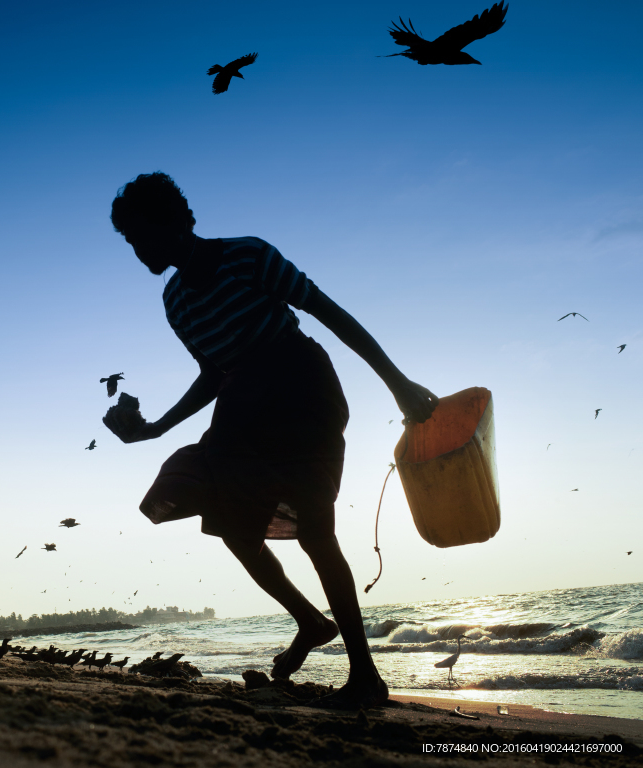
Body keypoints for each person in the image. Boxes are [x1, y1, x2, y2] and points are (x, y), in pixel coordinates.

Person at [104, 172, 438, 708]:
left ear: (176, 221)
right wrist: (155, 428)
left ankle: (365, 675)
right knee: (232, 522)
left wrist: (397, 384)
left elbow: (331, 315)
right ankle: (309, 620)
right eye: (129, 240)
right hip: (243, 413)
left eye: (141, 233)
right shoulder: (175, 301)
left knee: (315, 533)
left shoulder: (248, 255)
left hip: (302, 393)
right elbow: (214, 372)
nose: (137, 248)